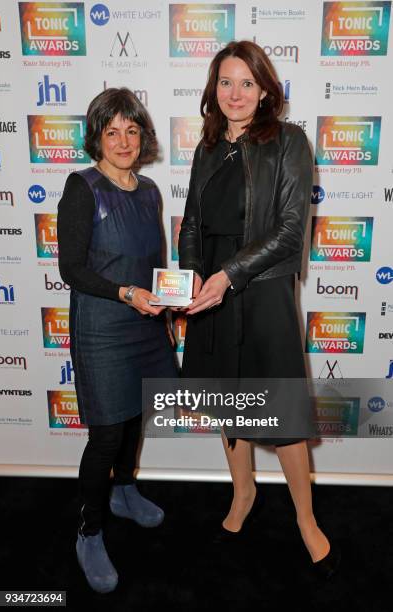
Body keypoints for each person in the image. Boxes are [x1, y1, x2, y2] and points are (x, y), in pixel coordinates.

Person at [178, 41, 340, 579]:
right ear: (213, 88)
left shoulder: (288, 141)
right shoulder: (205, 147)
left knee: (283, 411)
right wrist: (194, 275)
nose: (236, 93)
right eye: (226, 82)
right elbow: (191, 225)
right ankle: (243, 491)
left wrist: (230, 275)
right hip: (212, 293)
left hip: (262, 287)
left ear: (266, 89)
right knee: (227, 398)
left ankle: (305, 515)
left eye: (247, 82)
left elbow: (292, 230)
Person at [57, 87, 177, 593]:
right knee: (107, 433)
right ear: (97, 138)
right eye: (112, 132)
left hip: (145, 324)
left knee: (134, 418)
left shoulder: (149, 190)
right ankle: (89, 530)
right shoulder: (82, 187)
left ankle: (124, 491)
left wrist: (170, 297)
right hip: (103, 328)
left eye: (132, 130)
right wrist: (126, 292)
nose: (124, 141)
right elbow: (72, 269)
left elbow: (155, 260)